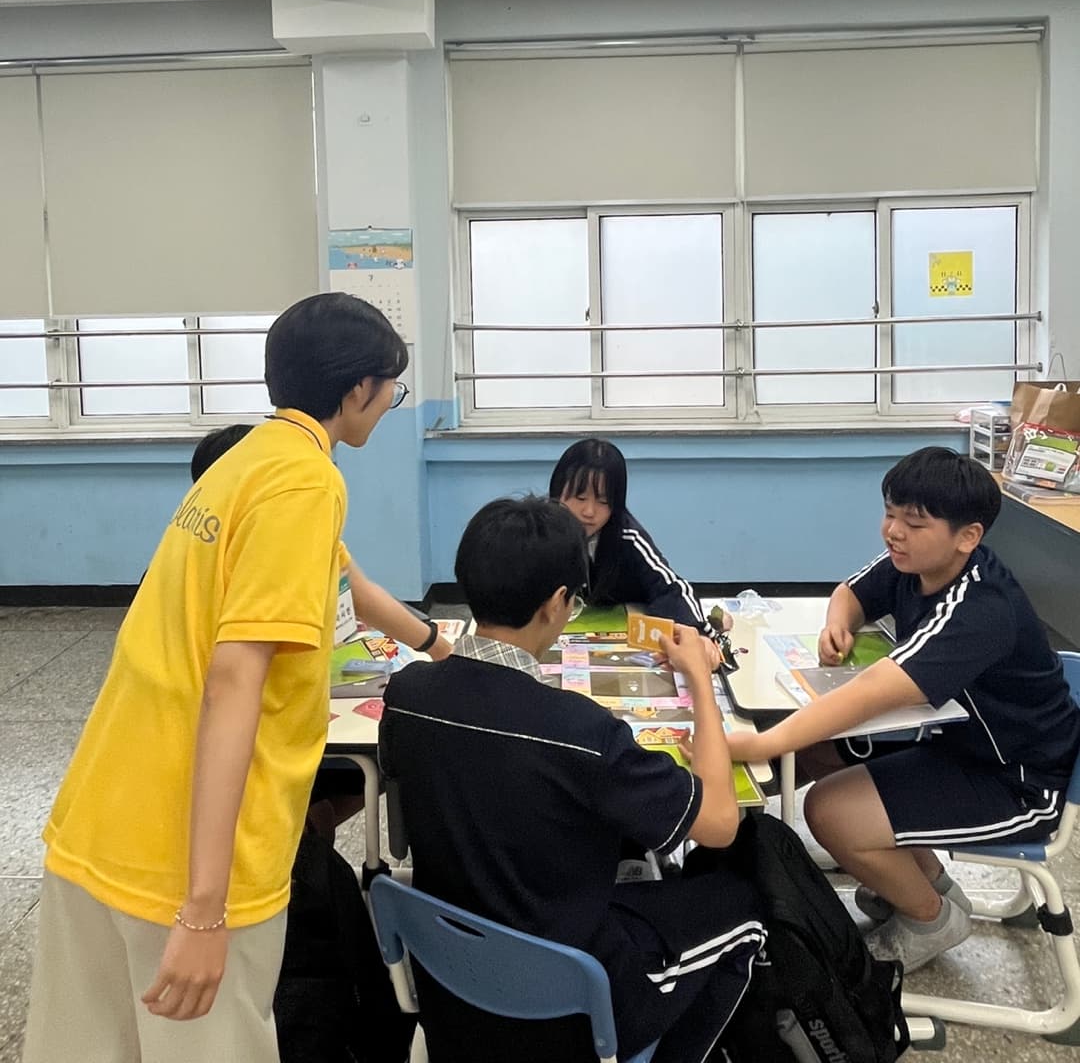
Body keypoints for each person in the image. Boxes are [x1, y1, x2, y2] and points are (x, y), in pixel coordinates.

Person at [23, 292, 408, 1063]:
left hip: (101, 821)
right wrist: (204, 909)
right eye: (391, 386)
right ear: (358, 388)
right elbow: (235, 682)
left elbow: (349, 581)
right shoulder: (307, 483)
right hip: (185, 861)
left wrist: (438, 644)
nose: (391, 399)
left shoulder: (246, 462)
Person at [379, 496, 765, 1063]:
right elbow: (720, 825)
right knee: (744, 908)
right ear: (558, 603)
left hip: (452, 983)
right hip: (568, 1003)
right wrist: (700, 682)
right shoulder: (581, 733)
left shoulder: (407, 696)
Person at [726, 446, 1080, 974]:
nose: (893, 532)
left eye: (914, 523)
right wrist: (838, 624)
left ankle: (930, 920)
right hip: (955, 745)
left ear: (967, 537)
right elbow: (851, 592)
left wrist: (762, 742)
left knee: (829, 810)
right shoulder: (916, 564)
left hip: (1019, 780)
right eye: (890, 513)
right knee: (822, 753)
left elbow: (872, 690)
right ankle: (925, 885)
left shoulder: (980, 609)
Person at [190, 423, 452, 834]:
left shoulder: (286, 535)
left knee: (373, 767)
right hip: (241, 763)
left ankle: (315, 828)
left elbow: (357, 589)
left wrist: (436, 644)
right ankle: (312, 832)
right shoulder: (235, 572)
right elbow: (230, 688)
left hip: (293, 730)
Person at [549, 438, 731, 667]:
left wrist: (698, 633)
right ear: (557, 492)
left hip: (624, 632)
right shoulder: (542, 531)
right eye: (580, 498)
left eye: (603, 501)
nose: (589, 511)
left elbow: (672, 588)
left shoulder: (628, 537)